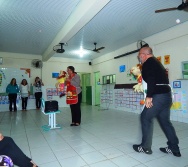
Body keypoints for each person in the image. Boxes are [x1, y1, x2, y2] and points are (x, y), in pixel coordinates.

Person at [133, 46, 181, 157]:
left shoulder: (148, 63)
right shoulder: (157, 63)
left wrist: (149, 96)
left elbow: (151, 79)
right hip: (167, 96)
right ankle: (174, 148)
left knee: (145, 117)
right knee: (165, 122)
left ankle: (145, 147)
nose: (139, 57)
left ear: (143, 55)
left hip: (158, 96)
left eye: (139, 55)